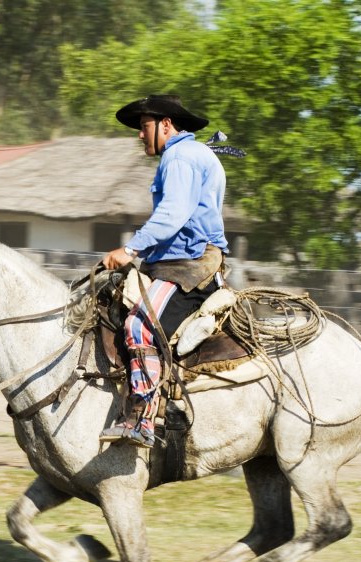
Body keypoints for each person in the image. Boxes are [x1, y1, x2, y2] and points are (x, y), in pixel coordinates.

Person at [98, 94, 229, 449]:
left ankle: (141, 417)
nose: (140, 135)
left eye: (144, 127)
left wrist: (129, 249)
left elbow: (173, 213)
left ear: (166, 125)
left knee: (139, 325)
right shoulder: (191, 154)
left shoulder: (180, 156)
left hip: (187, 266)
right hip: (179, 261)